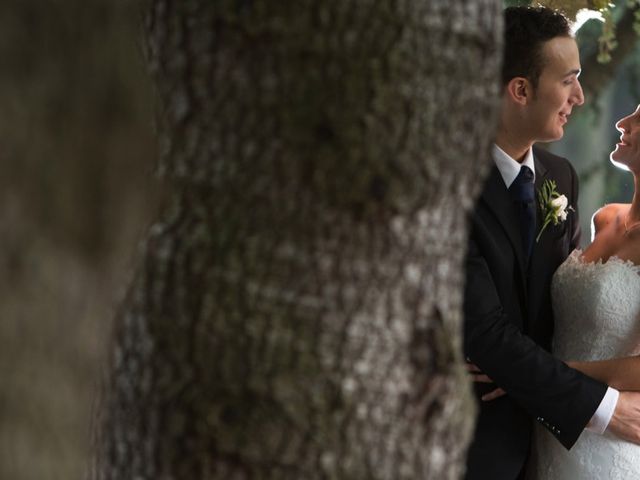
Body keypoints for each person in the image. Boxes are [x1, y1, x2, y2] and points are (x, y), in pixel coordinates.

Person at [463, 6, 640, 480]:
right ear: (520, 90)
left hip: (571, 445)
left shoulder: (561, 179)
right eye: (569, 80)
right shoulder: (452, 185)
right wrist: (605, 408)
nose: (580, 97)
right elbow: (486, 334)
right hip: (475, 449)